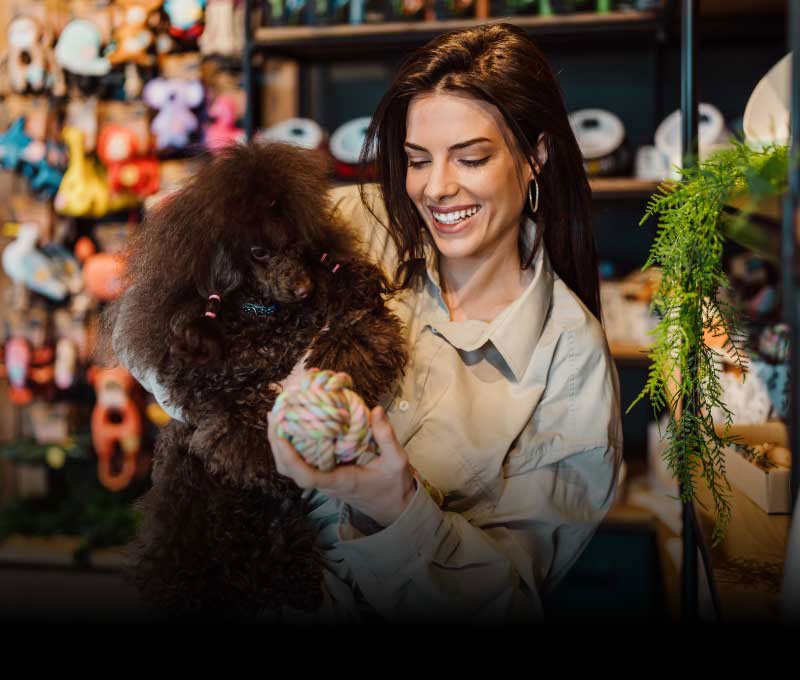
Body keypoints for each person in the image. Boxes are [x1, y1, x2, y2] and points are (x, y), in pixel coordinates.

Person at [116, 22, 622, 623]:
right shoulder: (354, 225)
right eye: (416, 160)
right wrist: (248, 408)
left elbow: (509, 600)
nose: (436, 188)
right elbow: (140, 330)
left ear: (535, 156)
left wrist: (392, 504)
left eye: (472, 157)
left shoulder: (569, 363)